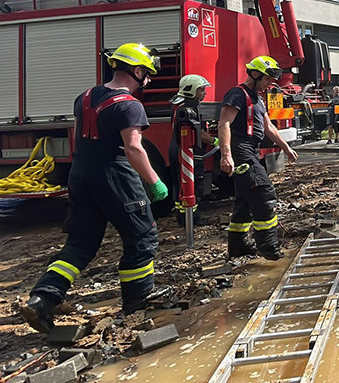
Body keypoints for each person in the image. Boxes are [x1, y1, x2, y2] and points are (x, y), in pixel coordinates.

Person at [22, 43, 173, 332]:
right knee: (142, 237)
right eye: (148, 74)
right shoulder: (130, 105)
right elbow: (133, 148)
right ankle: (137, 303)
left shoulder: (85, 97)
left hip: (80, 174)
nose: (149, 80)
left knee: (81, 243)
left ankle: (42, 298)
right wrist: (155, 182)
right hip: (114, 176)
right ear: (137, 70)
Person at [218, 55, 299, 261]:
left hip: (252, 150)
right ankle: (268, 246)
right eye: (267, 79)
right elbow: (224, 123)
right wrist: (226, 155)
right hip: (241, 150)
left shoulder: (257, 99)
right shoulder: (237, 94)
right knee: (263, 193)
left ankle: (238, 246)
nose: (270, 84)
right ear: (255, 74)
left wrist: (286, 148)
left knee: (245, 200)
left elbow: (268, 127)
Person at [169, 74, 215, 226]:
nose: (204, 93)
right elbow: (199, 134)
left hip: (177, 148)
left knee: (179, 185)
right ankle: (194, 219)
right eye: (201, 90)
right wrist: (216, 141)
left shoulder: (177, 103)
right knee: (194, 185)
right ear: (191, 90)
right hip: (188, 151)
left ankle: (182, 218)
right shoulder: (189, 107)